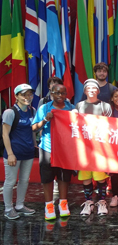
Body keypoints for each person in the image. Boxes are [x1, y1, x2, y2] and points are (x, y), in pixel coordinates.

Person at [32, 84, 75, 221]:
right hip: (47, 147)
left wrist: (75, 118)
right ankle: (49, 205)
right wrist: (45, 119)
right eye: (57, 93)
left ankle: (63, 203)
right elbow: (33, 128)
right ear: (51, 93)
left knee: (64, 177)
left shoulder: (72, 108)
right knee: (47, 178)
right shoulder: (44, 108)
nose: (60, 96)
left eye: (63, 93)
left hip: (65, 149)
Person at [74, 79, 113, 216]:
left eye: (94, 88)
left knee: (100, 177)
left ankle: (102, 201)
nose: (91, 90)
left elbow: (110, 126)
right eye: (88, 88)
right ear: (84, 91)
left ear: (98, 90)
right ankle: (88, 202)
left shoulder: (105, 106)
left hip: (99, 149)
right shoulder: (79, 106)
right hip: (84, 148)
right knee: (86, 176)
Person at [2, 84, 37, 219]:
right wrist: (10, 153)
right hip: (14, 153)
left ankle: (20, 205)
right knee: (10, 182)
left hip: (27, 152)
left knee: (24, 180)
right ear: (16, 96)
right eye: (24, 94)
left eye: (29, 94)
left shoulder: (32, 111)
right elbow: (5, 134)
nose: (27, 97)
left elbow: (32, 130)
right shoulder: (10, 112)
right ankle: (8, 208)